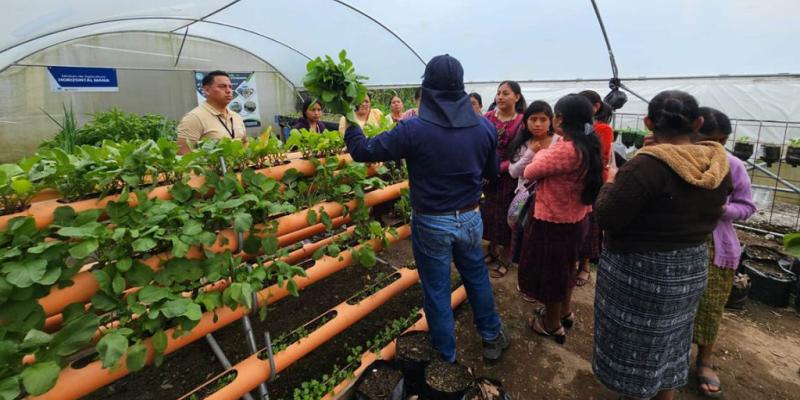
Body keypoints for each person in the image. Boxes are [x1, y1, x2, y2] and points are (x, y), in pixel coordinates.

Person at [343, 54, 508, 363]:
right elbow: (493, 170)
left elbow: (362, 150)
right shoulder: (484, 127)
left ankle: (445, 357)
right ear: (461, 87)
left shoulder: (413, 129)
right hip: (471, 216)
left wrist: (350, 118)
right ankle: (491, 336)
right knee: (476, 276)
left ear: (427, 88)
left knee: (436, 289)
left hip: (432, 221)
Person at [593, 90, 733, 400]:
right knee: (672, 341)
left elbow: (608, 216)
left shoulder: (646, 167)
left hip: (640, 271)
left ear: (647, 122)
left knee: (635, 345)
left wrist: (610, 183)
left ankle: (634, 392)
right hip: (691, 266)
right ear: (697, 122)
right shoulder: (717, 162)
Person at [520, 94, 603, 344]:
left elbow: (529, 171)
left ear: (560, 119)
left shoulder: (566, 149)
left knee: (552, 273)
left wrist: (541, 152)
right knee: (566, 267)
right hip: (576, 218)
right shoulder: (588, 143)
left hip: (554, 221)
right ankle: (564, 312)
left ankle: (552, 324)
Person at [692, 107, 756, 398]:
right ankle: (676, 355)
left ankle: (704, 359)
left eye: (721, 142)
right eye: (708, 140)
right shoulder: (678, 159)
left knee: (710, 303)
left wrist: (722, 209)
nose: (715, 148)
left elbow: (747, 206)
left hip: (715, 246)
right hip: (679, 240)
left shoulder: (733, 165)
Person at [482, 81, 526, 278]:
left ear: (517, 97)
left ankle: (506, 257)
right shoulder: (487, 118)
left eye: (505, 93)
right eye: (498, 93)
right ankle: (492, 249)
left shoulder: (522, 122)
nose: (500, 97)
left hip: (509, 176)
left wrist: (500, 168)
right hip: (487, 176)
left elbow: (521, 154)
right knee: (489, 214)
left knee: (508, 216)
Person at [506, 100, 555, 268]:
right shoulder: (524, 144)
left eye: (543, 119)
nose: (537, 124)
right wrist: (530, 153)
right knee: (527, 237)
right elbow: (513, 172)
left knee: (546, 239)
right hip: (527, 201)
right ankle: (527, 271)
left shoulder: (559, 142)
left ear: (552, 121)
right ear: (526, 122)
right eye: (533, 119)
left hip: (552, 200)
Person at [575, 90, 615, 286]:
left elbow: (603, 157)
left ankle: (584, 266)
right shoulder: (578, 127)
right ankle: (575, 261)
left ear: (596, 106)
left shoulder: (602, 129)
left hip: (593, 181)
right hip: (574, 181)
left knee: (590, 224)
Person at [177, 70, 247, 154]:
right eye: (222, 86)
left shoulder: (236, 117)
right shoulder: (194, 118)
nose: (228, 91)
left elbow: (244, 143)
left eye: (230, 87)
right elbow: (184, 155)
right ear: (207, 90)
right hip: (212, 167)